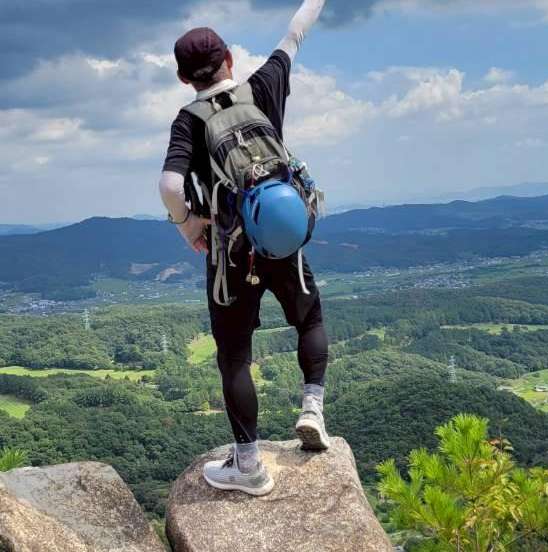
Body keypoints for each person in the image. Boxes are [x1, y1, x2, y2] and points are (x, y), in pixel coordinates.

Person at [159, 0, 328, 496]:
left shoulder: (188, 121)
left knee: (234, 357)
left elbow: (170, 185)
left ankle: (249, 464)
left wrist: (188, 225)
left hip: (230, 254)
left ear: (183, 77)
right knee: (309, 320)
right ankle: (313, 408)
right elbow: (295, 33)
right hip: (282, 238)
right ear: (229, 58)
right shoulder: (262, 87)